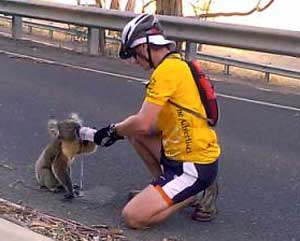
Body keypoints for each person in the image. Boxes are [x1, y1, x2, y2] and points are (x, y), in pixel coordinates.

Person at [79, 13, 220, 229]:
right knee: (135, 133)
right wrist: (117, 132)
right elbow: (146, 127)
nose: (135, 62)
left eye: (134, 55)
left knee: (134, 216)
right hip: (181, 154)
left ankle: (189, 195)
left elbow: (143, 122)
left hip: (193, 165)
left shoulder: (167, 71)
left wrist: (111, 131)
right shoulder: (174, 65)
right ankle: (164, 188)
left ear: (144, 47)